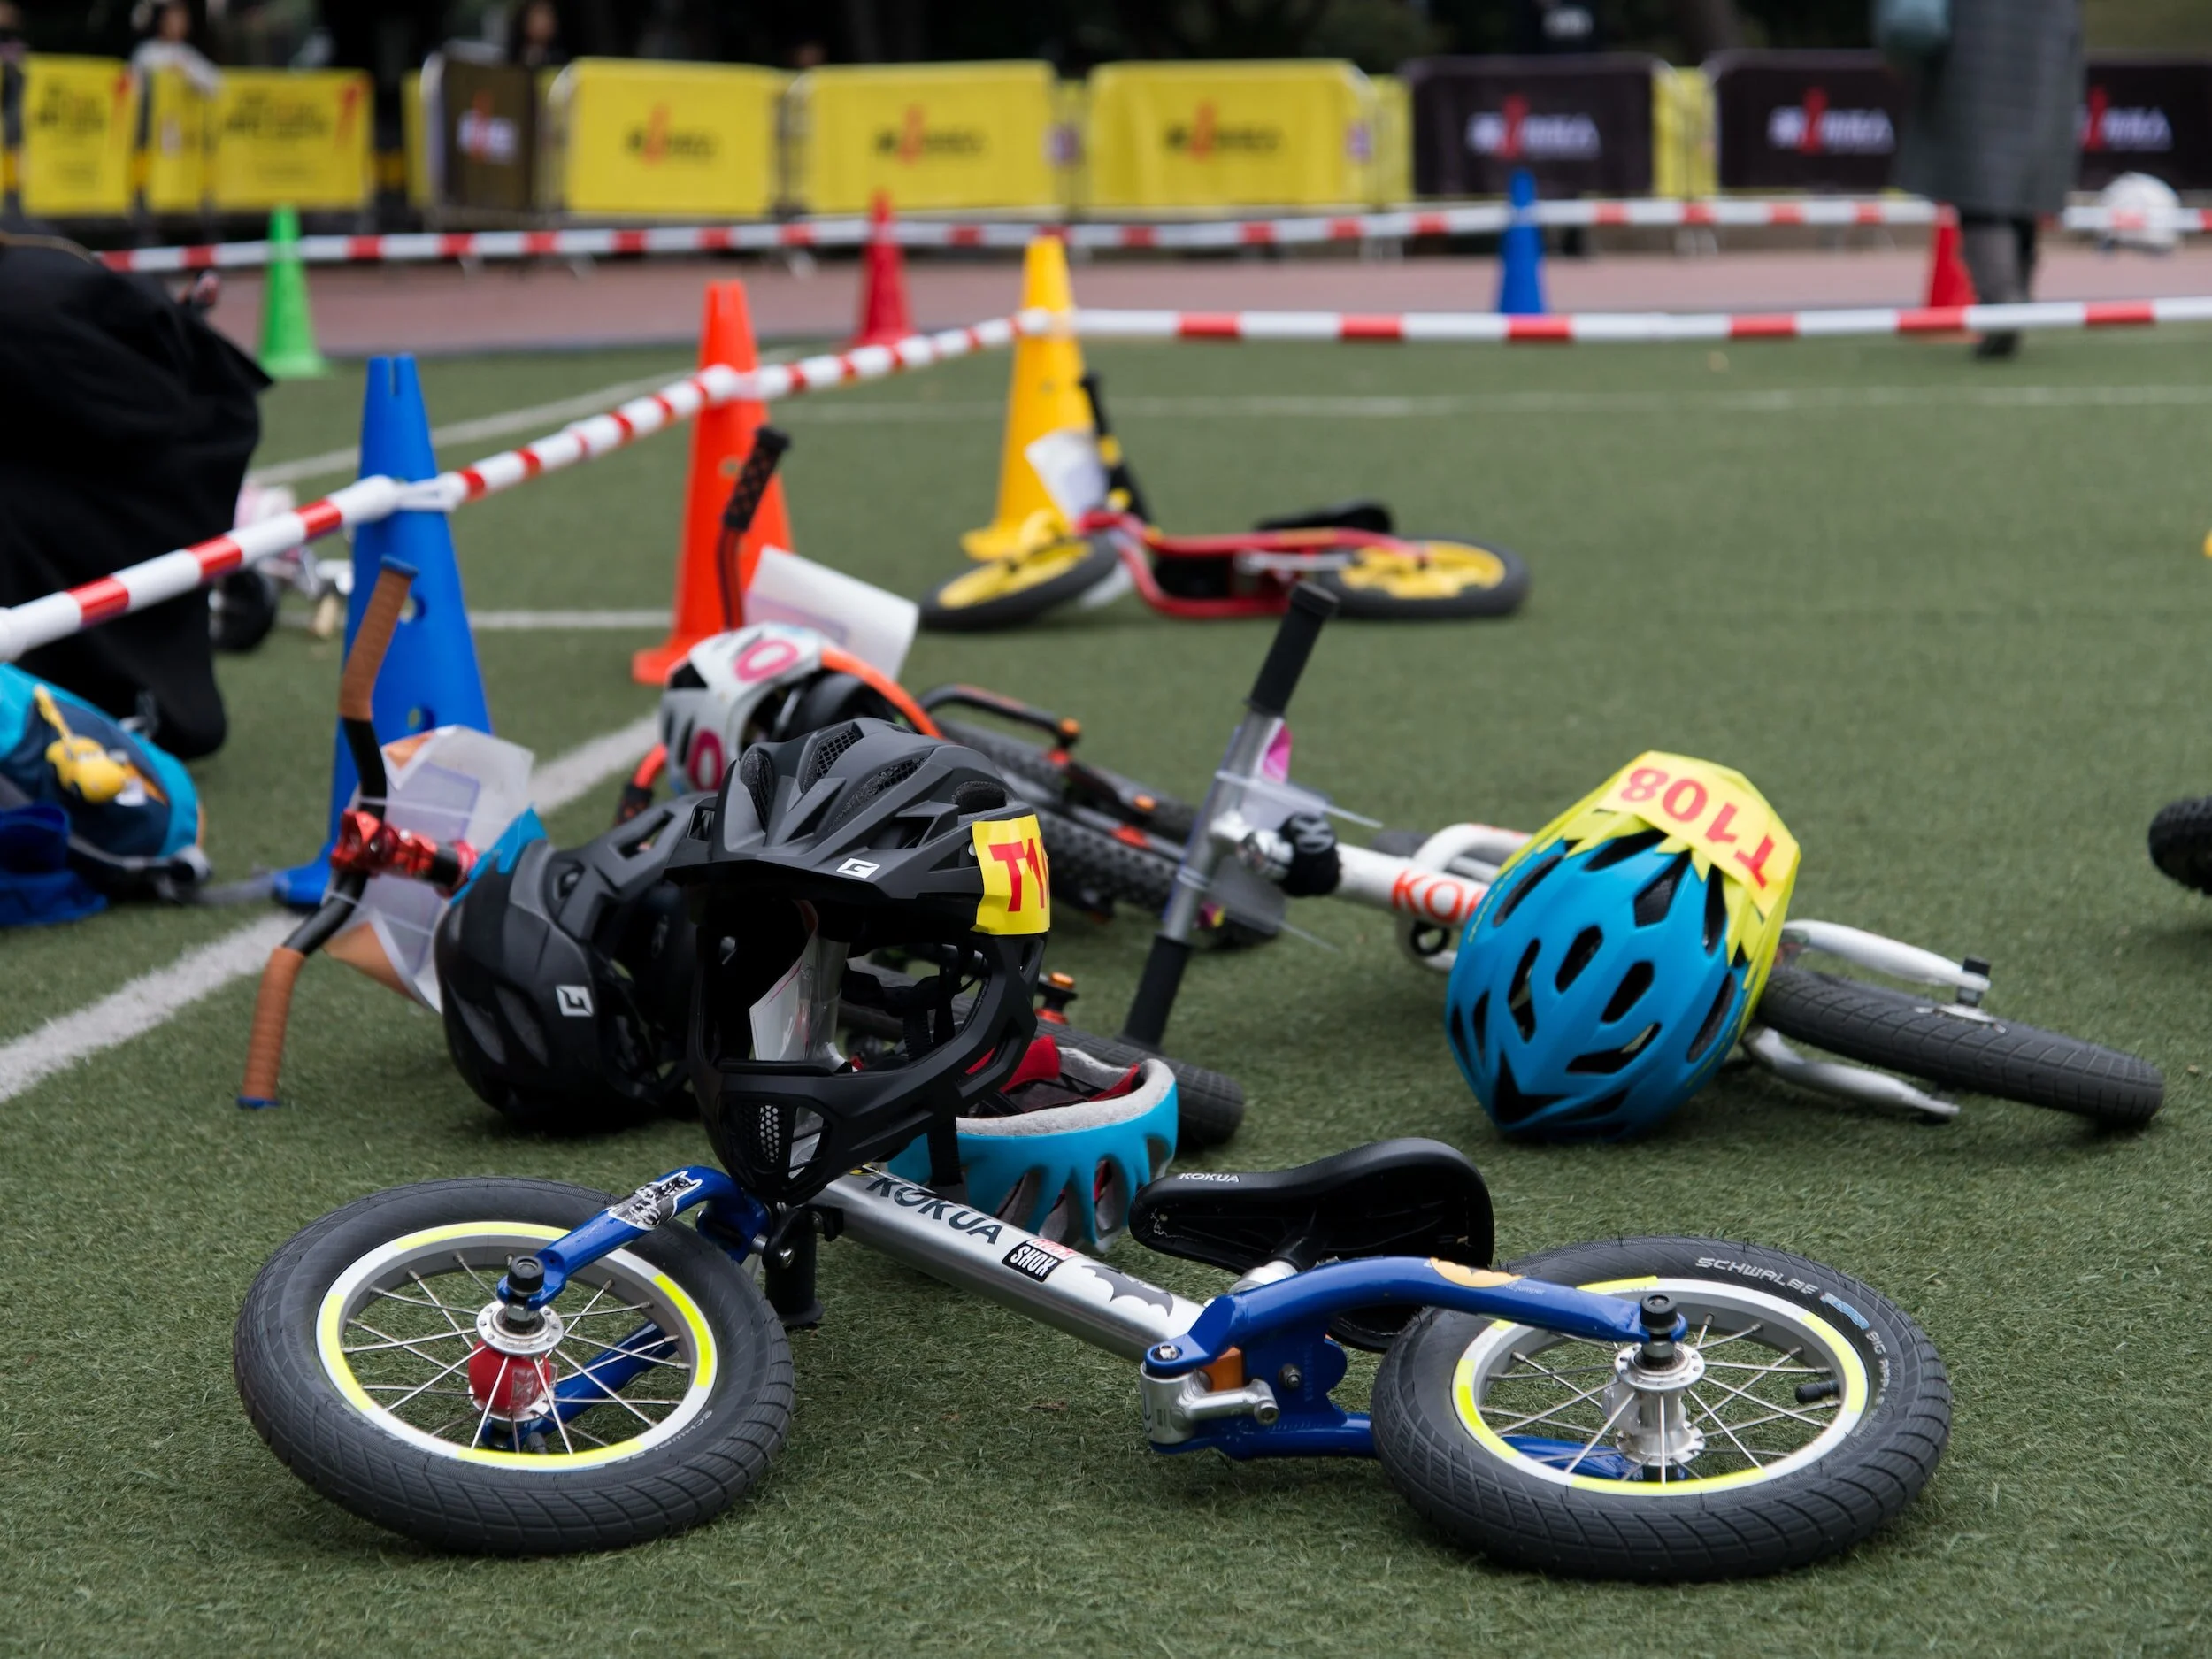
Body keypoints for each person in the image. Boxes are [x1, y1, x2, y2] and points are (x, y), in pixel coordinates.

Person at [1895, 0, 2083, 359]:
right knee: (2025, 186)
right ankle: (2014, 295)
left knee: (1979, 193)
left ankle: (2002, 298)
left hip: (1970, 58)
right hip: (2046, 58)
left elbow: (1911, 21)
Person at [129, 0, 223, 97]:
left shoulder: (189, 54)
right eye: (173, 19)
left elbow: (215, 84)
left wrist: (187, 74)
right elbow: (132, 82)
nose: (177, 25)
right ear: (162, 20)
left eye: (182, 20)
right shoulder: (147, 51)